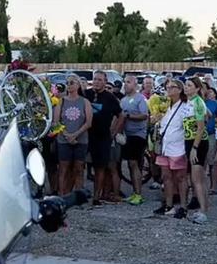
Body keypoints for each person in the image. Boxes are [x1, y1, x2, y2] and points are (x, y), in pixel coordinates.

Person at [86, 71, 122, 205]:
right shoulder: (86, 94)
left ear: (105, 82)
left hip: (102, 137)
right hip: (86, 135)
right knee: (78, 166)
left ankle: (97, 196)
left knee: (100, 167)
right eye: (95, 79)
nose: (96, 82)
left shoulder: (110, 97)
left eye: (99, 80)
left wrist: (115, 131)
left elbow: (121, 115)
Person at [53, 74, 92, 195]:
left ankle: (78, 194)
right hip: (64, 140)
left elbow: (88, 122)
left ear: (78, 85)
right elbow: (56, 122)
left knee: (79, 168)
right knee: (64, 168)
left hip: (80, 139)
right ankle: (63, 194)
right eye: (67, 83)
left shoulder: (84, 102)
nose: (69, 85)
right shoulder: (61, 101)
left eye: (72, 83)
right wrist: (67, 135)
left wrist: (75, 134)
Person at [153, 79, 187, 217]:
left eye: (172, 87)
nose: (168, 89)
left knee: (180, 177)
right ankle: (168, 205)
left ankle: (183, 206)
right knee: (166, 176)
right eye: (167, 87)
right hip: (165, 147)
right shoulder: (168, 106)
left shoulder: (185, 106)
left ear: (180, 90)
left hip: (178, 147)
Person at [182, 77, 210, 224]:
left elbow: (200, 127)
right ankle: (204, 207)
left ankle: (203, 211)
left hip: (197, 142)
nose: (186, 88)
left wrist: (195, 147)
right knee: (197, 178)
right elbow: (208, 115)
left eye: (189, 85)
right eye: (185, 85)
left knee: (197, 179)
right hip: (189, 140)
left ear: (197, 88)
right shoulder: (191, 101)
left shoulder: (198, 102)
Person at [119, 75, 149, 205]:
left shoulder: (140, 99)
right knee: (130, 165)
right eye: (124, 82)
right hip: (127, 135)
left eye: (128, 82)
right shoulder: (123, 100)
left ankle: (138, 194)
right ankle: (135, 192)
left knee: (134, 163)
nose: (125, 84)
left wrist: (129, 116)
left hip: (138, 135)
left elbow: (144, 115)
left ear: (135, 85)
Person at [203, 84, 217, 195]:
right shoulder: (194, 101)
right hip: (196, 135)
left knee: (211, 161)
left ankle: (212, 186)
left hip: (210, 134)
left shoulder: (215, 104)